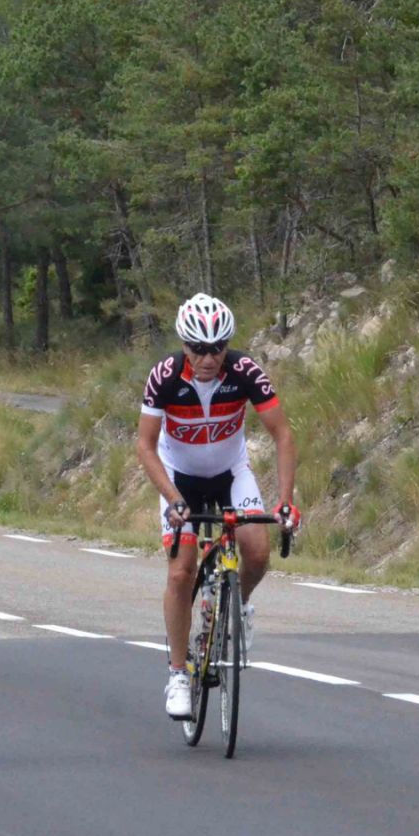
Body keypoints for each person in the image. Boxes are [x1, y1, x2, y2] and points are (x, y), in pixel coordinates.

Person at [136, 293, 300, 720]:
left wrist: (285, 501)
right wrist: (172, 498)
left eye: (217, 347)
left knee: (257, 552)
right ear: (184, 344)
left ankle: (236, 608)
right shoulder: (164, 376)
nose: (208, 358)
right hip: (180, 479)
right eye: (198, 348)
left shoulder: (245, 371)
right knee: (181, 571)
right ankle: (177, 674)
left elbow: (283, 434)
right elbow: (145, 446)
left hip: (230, 473)